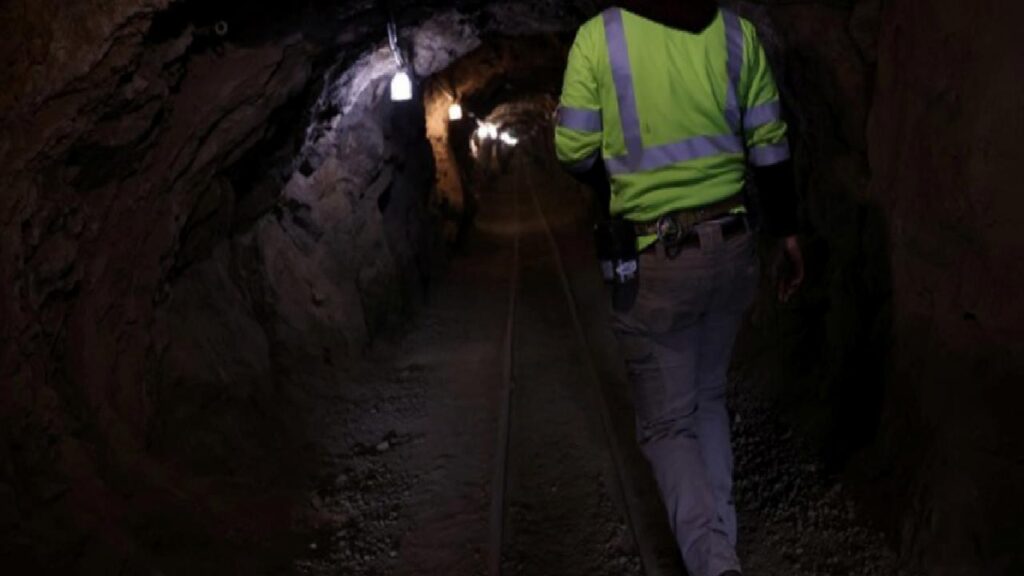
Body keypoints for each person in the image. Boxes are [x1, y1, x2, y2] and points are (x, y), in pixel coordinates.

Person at [553, 2, 805, 575]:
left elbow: (572, 150)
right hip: (734, 245)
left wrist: (618, 183)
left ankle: (715, 565)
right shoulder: (738, 34)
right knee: (707, 398)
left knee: (669, 423)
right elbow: (770, 142)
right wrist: (787, 230)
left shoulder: (599, 38)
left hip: (658, 257)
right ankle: (720, 546)